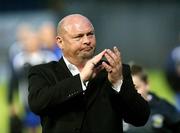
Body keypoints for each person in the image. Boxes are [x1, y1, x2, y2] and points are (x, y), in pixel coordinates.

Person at [28, 14, 150, 133]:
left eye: (90, 34)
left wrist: (118, 83)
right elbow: (37, 103)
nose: (87, 41)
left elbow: (140, 118)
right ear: (60, 42)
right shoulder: (42, 72)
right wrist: (80, 80)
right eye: (79, 36)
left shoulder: (115, 71)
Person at [123, 63, 180, 133]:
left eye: (136, 87)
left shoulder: (164, 108)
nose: (132, 92)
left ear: (147, 84)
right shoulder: (116, 110)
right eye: (128, 88)